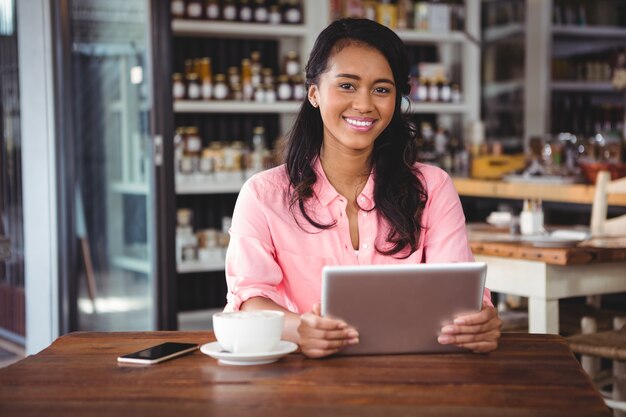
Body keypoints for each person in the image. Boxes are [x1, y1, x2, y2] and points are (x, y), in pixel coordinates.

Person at [224, 18, 501, 358]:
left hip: (414, 375)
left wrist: (479, 320)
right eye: (347, 85)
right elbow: (248, 298)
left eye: (382, 89)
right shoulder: (263, 196)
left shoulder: (432, 187)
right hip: (302, 380)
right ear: (314, 93)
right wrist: (301, 330)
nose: (365, 104)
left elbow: (461, 294)